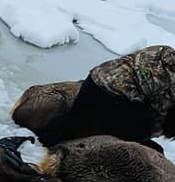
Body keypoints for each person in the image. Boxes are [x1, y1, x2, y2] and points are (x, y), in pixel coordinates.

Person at [11, 45, 175, 146]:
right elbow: (160, 110)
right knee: (131, 137)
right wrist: (152, 132)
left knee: (75, 125)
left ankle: (48, 139)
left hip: (94, 79)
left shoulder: (163, 50)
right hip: (115, 97)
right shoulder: (171, 80)